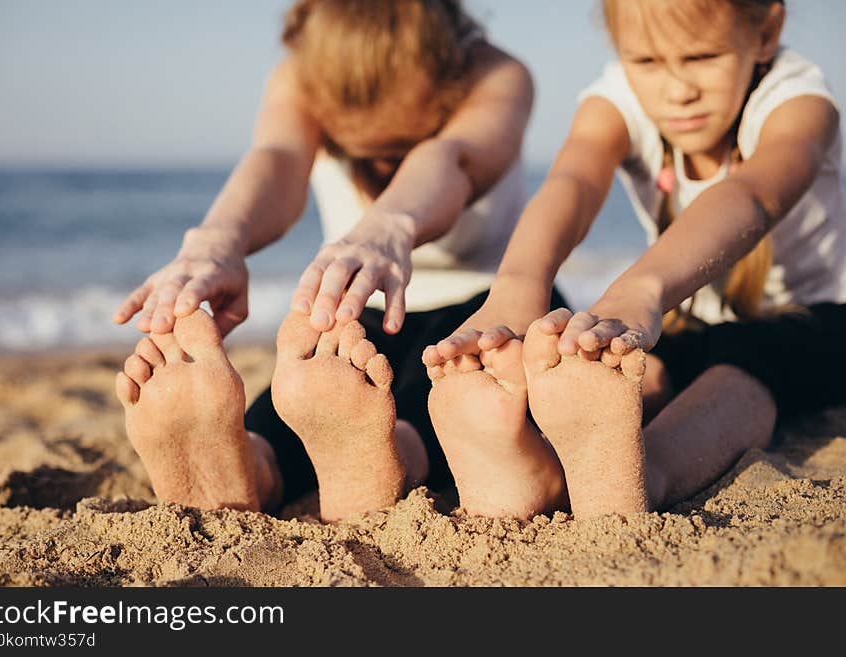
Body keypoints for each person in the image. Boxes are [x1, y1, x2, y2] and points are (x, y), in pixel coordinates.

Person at [112, 0, 569, 522]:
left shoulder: (496, 74)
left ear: (445, 76)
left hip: (495, 305)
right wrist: (214, 243)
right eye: (358, 149)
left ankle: (389, 456)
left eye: (399, 148)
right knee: (313, 391)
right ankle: (255, 466)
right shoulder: (299, 75)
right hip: (358, 311)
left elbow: (453, 158)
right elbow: (278, 160)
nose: (381, 168)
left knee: (460, 399)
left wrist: (389, 225)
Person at [425, 0, 846, 519]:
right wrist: (517, 287)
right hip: (699, 319)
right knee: (626, 369)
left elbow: (753, 196)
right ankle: (541, 471)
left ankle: (645, 474)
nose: (678, 89)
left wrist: (642, 287)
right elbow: (574, 183)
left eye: (703, 56)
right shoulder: (616, 102)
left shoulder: (799, 102)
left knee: (744, 364)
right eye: (646, 62)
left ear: (765, 31)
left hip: (820, 320)